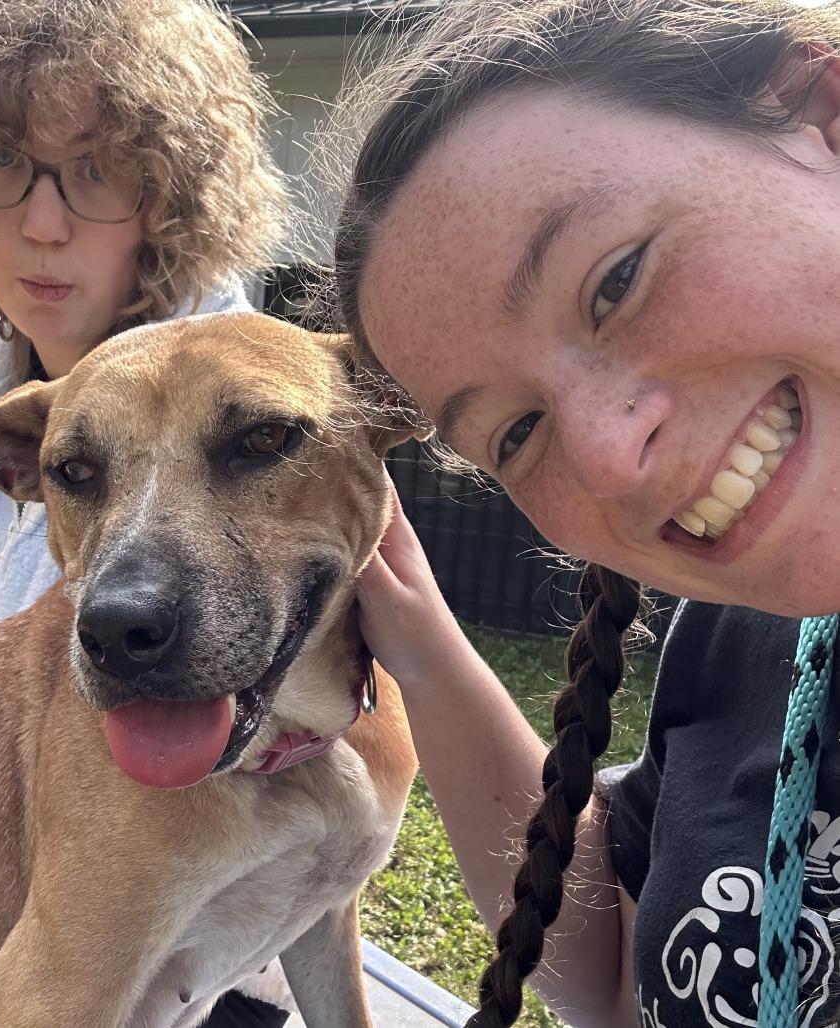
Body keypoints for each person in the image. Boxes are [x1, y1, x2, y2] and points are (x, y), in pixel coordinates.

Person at [334, 0, 840, 1025]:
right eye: (514, 434)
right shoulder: (741, 643)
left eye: (616, 279)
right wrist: (420, 642)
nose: (610, 461)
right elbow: (611, 976)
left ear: (820, 112)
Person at [0, 0, 294, 1023]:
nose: (41, 220)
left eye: (95, 168)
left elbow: (330, 732)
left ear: (168, 189)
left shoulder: (276, 416)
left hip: (191, 964)